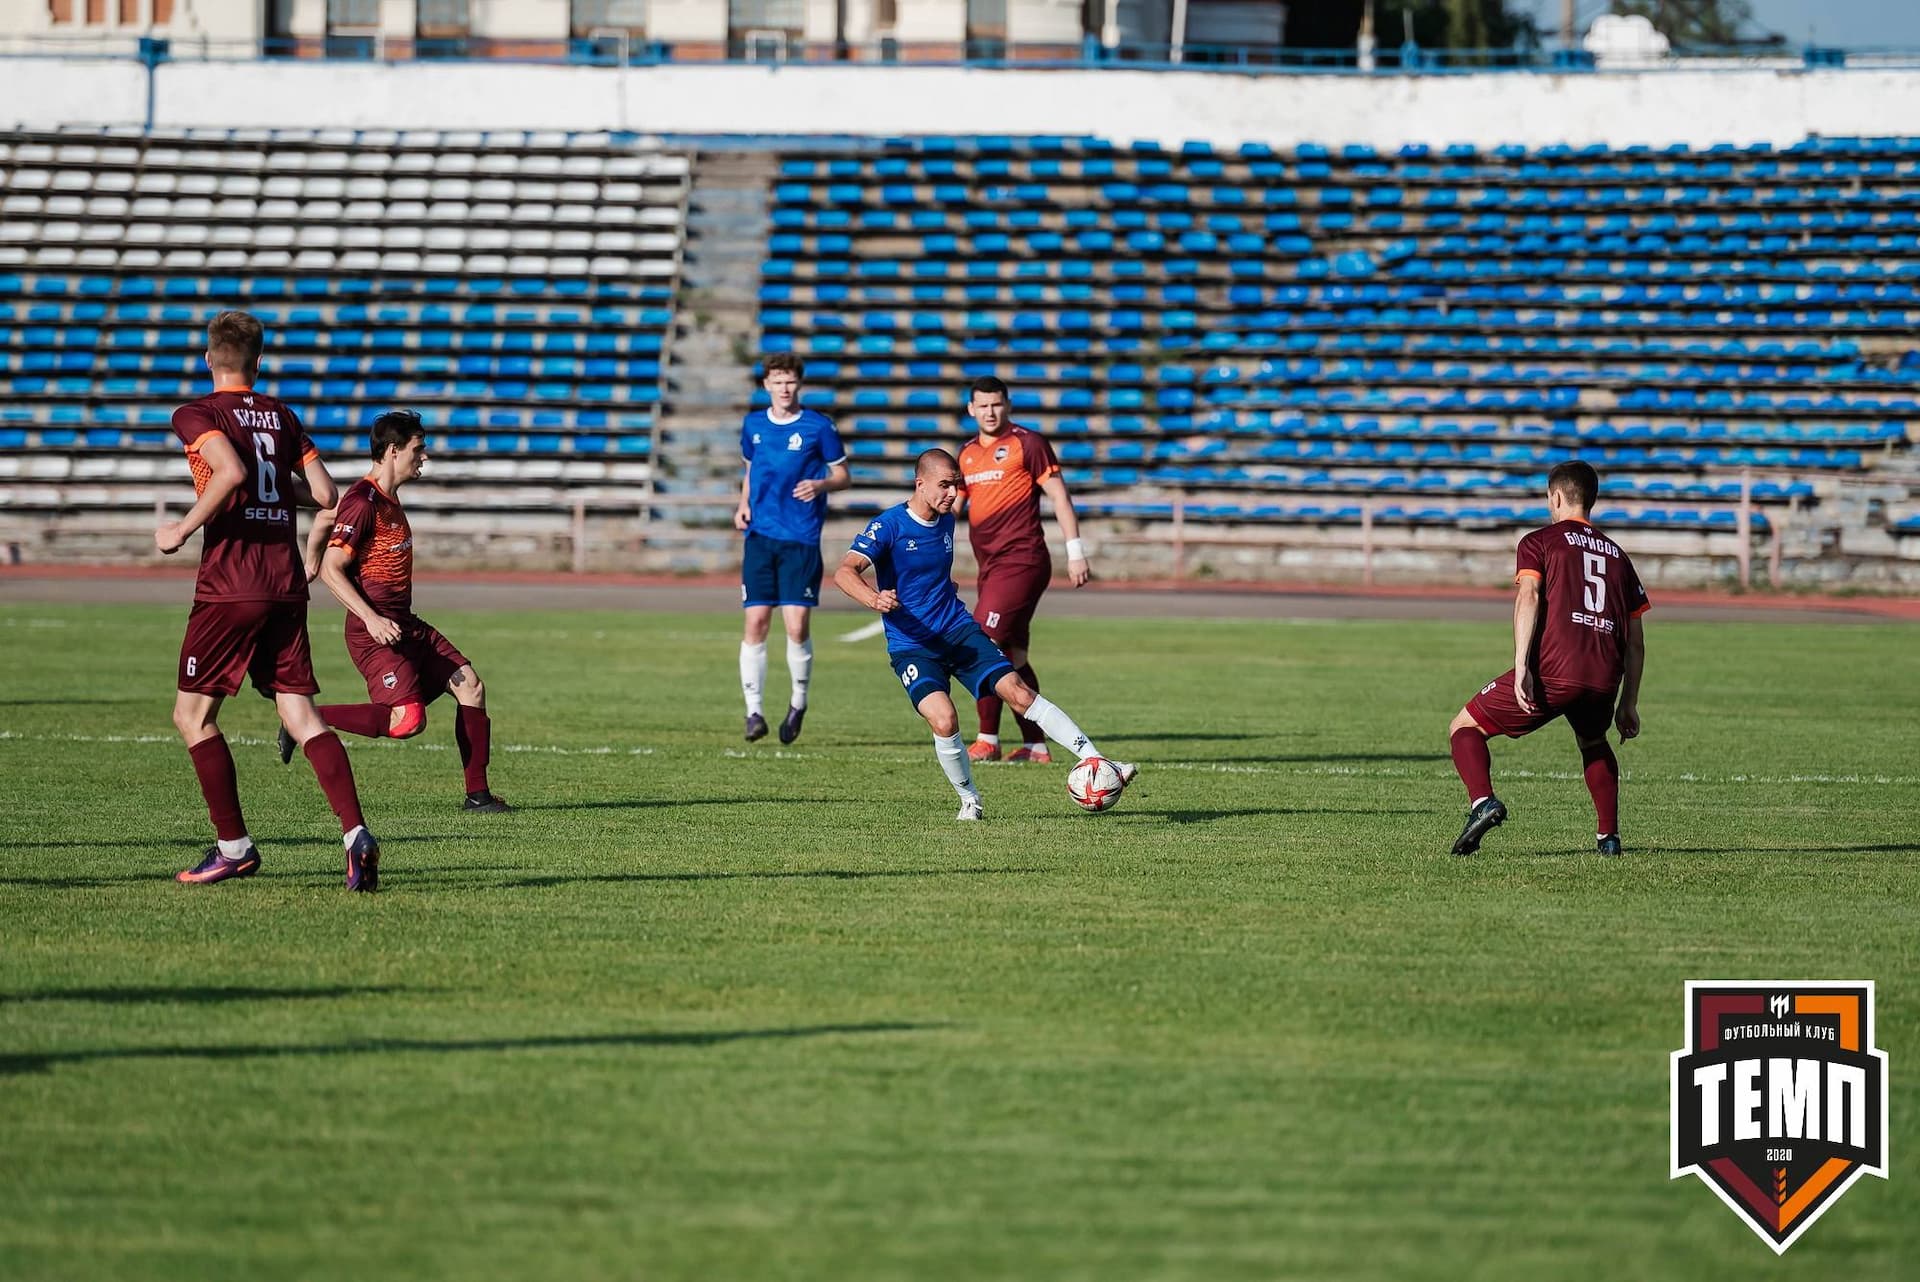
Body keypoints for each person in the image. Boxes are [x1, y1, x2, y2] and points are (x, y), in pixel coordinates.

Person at [156, 310, 382, 890]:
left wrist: (180, 530)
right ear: (259, 363)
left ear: (209, 359)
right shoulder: (282, 415)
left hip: (231, 583)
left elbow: (229, 471)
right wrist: (275, 483)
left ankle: (233, 846)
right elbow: (328, 495)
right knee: (299, 711)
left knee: (193, 715)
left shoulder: (197, 413)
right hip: (284, 582)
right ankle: (355, 834)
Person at [833, 449, 1135, 820]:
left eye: (955, 486)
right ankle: (970, 800)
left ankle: (1098, 760)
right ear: (919, 483)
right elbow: (845, 572)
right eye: (943, 486)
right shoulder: (889, 525)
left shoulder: (944, 519)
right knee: (944, 720)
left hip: (958, 631)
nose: (951, 494)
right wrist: (874, 598)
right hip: (913, 646)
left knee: (1020, 692)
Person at [293, 410, 510, 813]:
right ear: (394, 451)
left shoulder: (380, 499)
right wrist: (369, 617)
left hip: (404, 622)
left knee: (470, 686)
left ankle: (477, 796)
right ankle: (304, 718)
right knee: (407, 722)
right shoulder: (363, 501)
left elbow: (325, 516)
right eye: (418, 448)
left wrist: (309, 559)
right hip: (375, 630)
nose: (424, 457)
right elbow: (333, 569)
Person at [1447, 461, 1649, 858]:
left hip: (1555, 671)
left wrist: (1522, 663)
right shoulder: (1620, 558)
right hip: (1605, 674)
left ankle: (1482, 803)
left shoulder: (1540, 541)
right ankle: (1608, 839)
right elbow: (1636, 642)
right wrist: (1629, 702)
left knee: (1464, 726)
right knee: (1593, 740)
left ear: (1556, 497)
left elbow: (1529, 596)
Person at [956, 376, 1091, 764]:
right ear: (971, 410)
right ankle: (1035, 746)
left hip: (1023, 560)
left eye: (996, 404)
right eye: (982, 406)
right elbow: (952, 509)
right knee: (1012, 656)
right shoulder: (966, 455)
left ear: (1007, 404)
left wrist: (1076, 551)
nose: (990, 412)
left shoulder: (1027, 443)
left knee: (979, 643)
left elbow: (1060, 497)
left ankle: (987, 739)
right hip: (990, 567)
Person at [734, 353, 850, 744]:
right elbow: (751, 469)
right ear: (766, 385)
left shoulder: (818, 426)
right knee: (755, 624)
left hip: (800, 538)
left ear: (799, 385)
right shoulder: (753, 425)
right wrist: (743, 503)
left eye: (790, 381)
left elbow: (843, 475)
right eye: (776, 381)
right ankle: (754, 712)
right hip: (761, 538)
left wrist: (820, 485)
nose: (784, 388)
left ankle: (798, 702)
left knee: (796, 627)